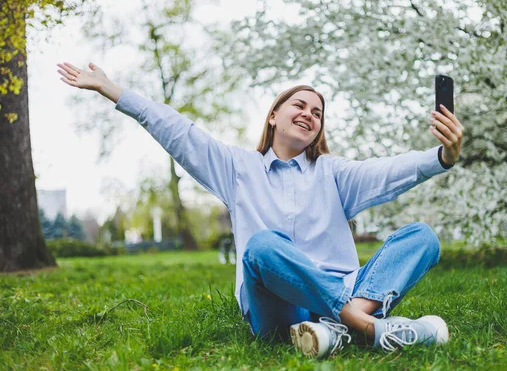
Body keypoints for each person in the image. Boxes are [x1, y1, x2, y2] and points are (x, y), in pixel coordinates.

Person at [57, 62, 464, 358]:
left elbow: (386, 172)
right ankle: (367, 327)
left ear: (319, 130)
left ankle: (341, 328)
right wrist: (116, 92)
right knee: (263, 246)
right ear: (274, 115)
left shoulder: (333, 174)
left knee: (421, 238)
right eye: (299, 105)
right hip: (278, 307)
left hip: (345, 289)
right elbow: (178, 132)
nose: (309, 113)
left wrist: (442, 156)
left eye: (317, 113)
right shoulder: (236, 168)